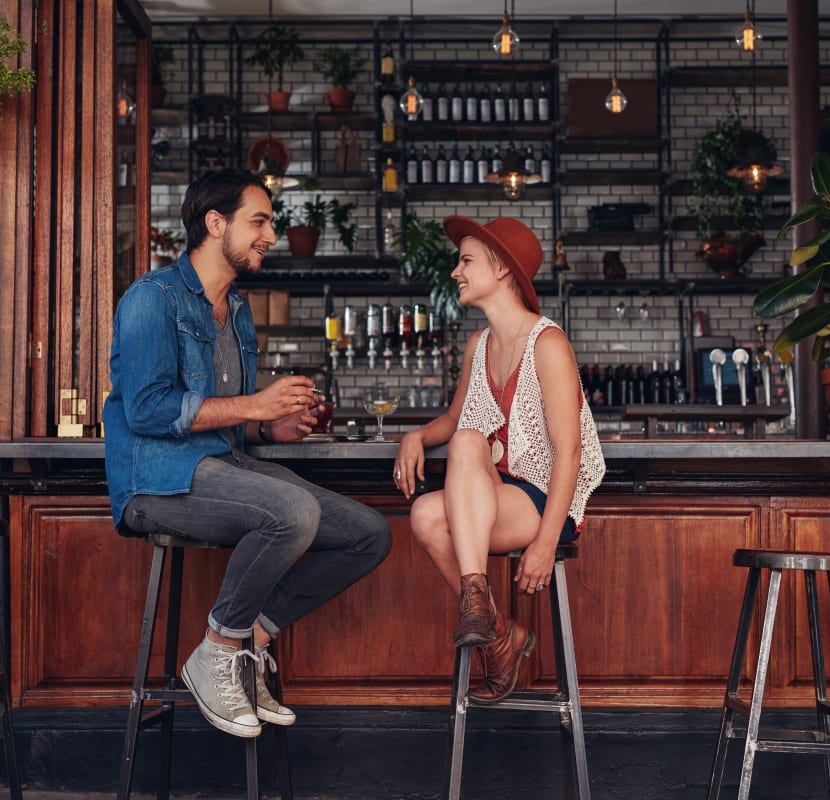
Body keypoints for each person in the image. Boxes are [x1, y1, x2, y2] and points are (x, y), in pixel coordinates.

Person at [103, 169, 392, 738]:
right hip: (154, 481)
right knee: (291, 512)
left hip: (222, 467)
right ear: (216, 224)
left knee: (369, 533)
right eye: (258, 222)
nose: (271, 235)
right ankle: (215, 651)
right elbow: (146, 411)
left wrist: (273, 427)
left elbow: (232, 420)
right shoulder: (151, 299)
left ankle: (248, 642)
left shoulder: (236, 311)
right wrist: (253, 406)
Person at [393, 215, 605, 703]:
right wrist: (416, 437)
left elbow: (569, 452)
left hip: (546, 498)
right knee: (425, 511)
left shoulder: (548, 344)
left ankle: (484, 618)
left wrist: (547, 543)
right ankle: (498, 626)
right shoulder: (479, 345)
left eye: (465, 261)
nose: (455, 272)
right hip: (498, 492)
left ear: (502, 270)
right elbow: (453, 417)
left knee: (466, 445)